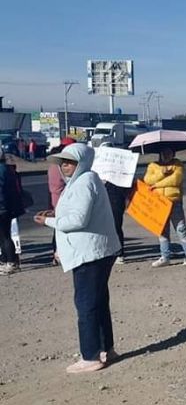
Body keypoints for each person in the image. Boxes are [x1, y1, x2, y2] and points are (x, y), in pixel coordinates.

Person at [34, 144, 121, 373]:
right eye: (62, 161)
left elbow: (78, 221)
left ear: (81, 161)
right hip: (94, 251)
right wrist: (56, 214)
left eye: (69, 161)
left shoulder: (85, 182)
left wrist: (49, 222)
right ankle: (106, 349)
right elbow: (79, 212)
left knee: (86, 305)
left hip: (90, 254)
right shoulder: (84, 180)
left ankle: (91, 355)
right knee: (98, 302)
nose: (64, 165)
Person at [143, 146, 186, 267]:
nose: (167, 155)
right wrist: (162, 172)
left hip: (174, 202)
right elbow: (147, 179)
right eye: (164, 152)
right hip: (159, 203)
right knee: (162, 231)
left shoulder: (178, 164)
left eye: (170, 152)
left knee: (181, 229)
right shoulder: (152, 166)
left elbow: (175, 180)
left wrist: (156, 185)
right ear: (160, 154)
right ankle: (165, 256)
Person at [47, 137, 75, 266]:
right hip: (63, 199)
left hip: (54, 198)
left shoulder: (54, 162)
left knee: (57, 227)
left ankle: (55, 254)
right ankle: (61, 254)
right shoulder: (64, 164)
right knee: (65, 227)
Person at [0, 152, 25, 275]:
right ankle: (6, 260)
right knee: (4, 235)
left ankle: (11, 262)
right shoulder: (6, 169)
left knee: (4, 236)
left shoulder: (2, 170)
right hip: (8, 207)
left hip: (2, 208)